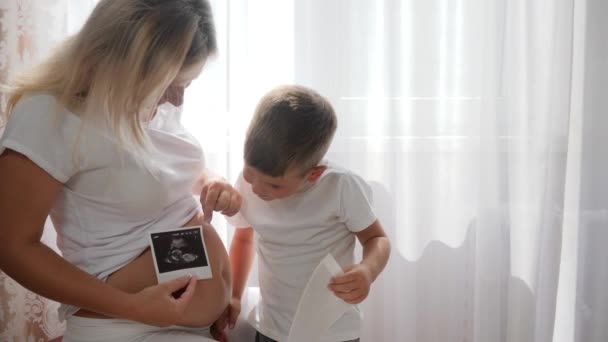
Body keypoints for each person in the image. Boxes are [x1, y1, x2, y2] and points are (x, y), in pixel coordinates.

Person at [0, 1, 240, 341]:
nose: (175, 100)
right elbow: (11, 246)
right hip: (128, 326)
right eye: (171, 83)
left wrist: (211, 180)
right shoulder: (49, 114)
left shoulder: (148, 103)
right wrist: (134, 308)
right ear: (127, 62)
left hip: (181, 323)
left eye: (185, 85)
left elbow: (153, 173)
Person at [215, 85, 391, 342]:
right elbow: (244, 237)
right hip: (271, 327)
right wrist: (233, 295)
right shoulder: (249, 182)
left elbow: (377, 239)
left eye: (274, 184)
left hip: (331, 330)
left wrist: (367, 270)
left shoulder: (340, 186)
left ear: (314, 174)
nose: (257, 188)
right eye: (250, 174)